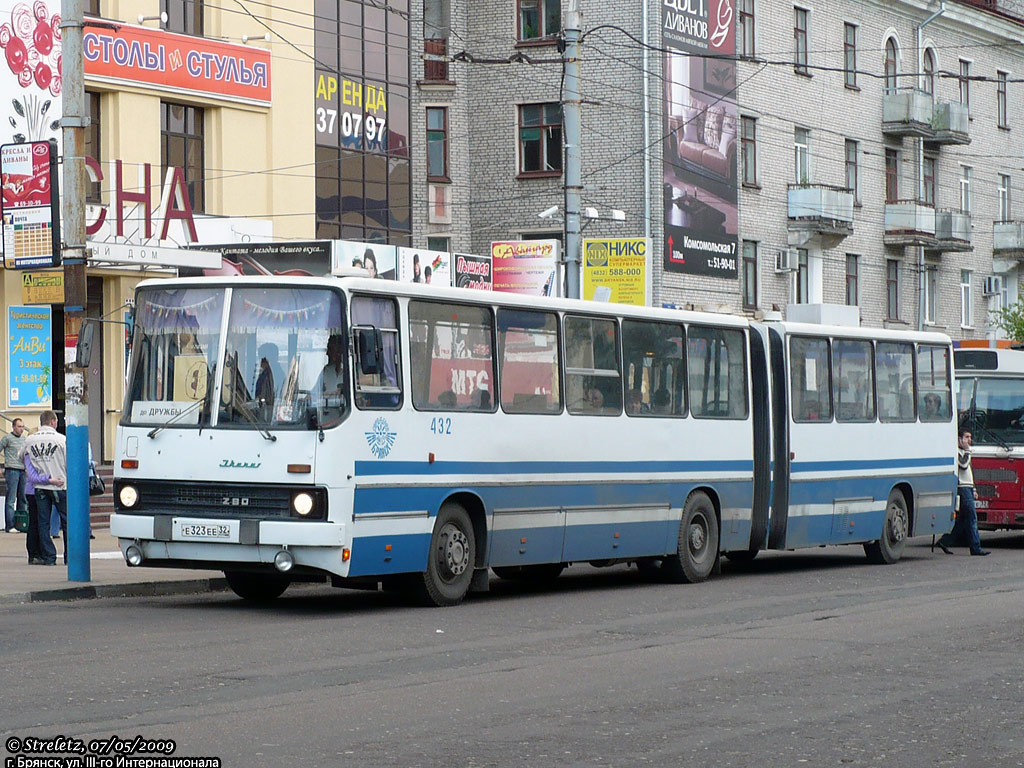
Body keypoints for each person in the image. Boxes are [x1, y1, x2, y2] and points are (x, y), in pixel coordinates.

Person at [937, 426, 990, 557]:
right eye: (966, 437)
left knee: (962, 520)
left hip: (968, 487)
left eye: (970, 437)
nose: (969, 440)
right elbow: (963, 465)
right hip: (962, 488)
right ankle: (975, 548)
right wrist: (967, 451)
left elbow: (969, 472)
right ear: (959, 439)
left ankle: (944, 541)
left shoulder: (965, 452)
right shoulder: (957, 452)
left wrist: (974, 489)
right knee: (972, 518)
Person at [22, 411, 66, 566]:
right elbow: (70, 462)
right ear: (53, 422)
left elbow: (21, 456)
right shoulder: (62, 439)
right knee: (66, 521)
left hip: (40, 487)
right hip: (60, 484)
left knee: (43, 522)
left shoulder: (30, 440)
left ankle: (49, 557)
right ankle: (70, 556)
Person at [1, 417, 28, 533]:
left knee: (23, 498)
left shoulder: (24, 439)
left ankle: (21, 523)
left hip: (23, 471)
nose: (21, 429)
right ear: (13, 427)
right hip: (11, 470)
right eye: (19, 426)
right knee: (11, 499)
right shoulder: (7, 438)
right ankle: (10, 525)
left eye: (22, 427)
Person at [22, 451, 50, 564]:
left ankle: (37, 553)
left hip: (35, 489)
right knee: (35, 523)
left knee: (37, 522)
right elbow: (32, 475)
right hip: (33, 490)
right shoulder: (29, 454)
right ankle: (34, 553)